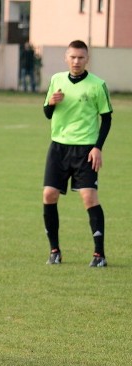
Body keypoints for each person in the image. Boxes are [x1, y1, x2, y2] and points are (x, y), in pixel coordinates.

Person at [42, 40, 113, 267]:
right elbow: (47, 113)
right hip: (58, 147)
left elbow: (107, 118)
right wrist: (51, 103)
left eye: (81, 57)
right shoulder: (56, 80)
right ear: (66, 57)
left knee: (89, 197)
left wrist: (97, 147)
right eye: (72, 57)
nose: (76, 61)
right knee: (49, 195)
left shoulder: (97, 85)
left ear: (87, 59)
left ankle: (99, 254)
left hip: (85, 150)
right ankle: (54, 251)